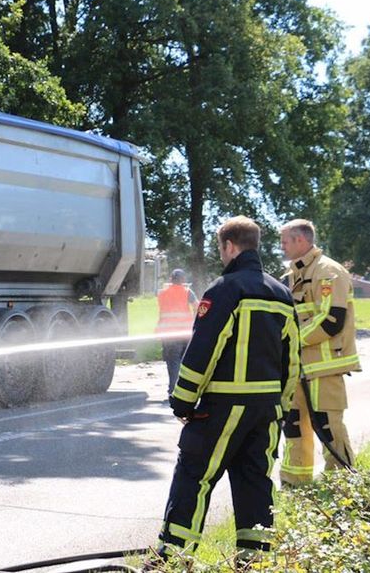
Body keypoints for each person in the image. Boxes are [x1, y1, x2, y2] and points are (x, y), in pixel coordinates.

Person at [155, 216, 299, 564]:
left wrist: (183, 402)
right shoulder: (282, 294)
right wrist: (281, 407)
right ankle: (254, 562)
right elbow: (293, 359)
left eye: (221, 248)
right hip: (265, 413)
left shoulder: (225, 290)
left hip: (221, 408)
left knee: (194, 477)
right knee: (255, 485)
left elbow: (203, 350)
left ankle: (173, 559)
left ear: (229, 246)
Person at [278, 219, 359, 486]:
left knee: (328, 427)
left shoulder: (329, 272)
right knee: (293, 427)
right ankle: (295, 485)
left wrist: (292, 340)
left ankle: (343, 486)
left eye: (285, 241)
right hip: (296, 368)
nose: (282, 247)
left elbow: (331, 319)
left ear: (301, 240)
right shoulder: (289, 277)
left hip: (324, 367)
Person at [156, 269, 198, 399]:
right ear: (183, 280)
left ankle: (173, 389)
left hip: (169, 334)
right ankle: (186, 391)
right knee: (186, 363)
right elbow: (197, 307)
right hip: (185, 333)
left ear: (170, 279)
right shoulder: (187, 292)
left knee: (172, 362)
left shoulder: (162, 293)